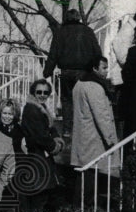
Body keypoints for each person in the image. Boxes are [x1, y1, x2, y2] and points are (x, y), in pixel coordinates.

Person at [42, 8, 102, 136]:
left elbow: (53, 53)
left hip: (66, 71)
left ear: (66, 19)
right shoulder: (88, 31)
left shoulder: (60, 32)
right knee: (83, 100)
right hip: (84, 71)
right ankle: (82, 129)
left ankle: (67, 130)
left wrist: (47, 71)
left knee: (67, 100)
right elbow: (97, 52)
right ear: (78, 18)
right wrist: (97, 69)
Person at [69, 56, 120, 207]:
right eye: (104, 67)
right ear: (94, 68)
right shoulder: (94, 87)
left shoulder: (79, 84)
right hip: (93, 137)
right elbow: (102, 115)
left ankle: (80, 210)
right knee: (90, 175)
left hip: (83, 135)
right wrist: (110, 139)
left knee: (85, 175)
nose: (107, 71)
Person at [19, 79, 63, 212]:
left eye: (46, 92)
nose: (42, 95)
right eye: (39, 92)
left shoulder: (41, 108)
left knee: (44, 190)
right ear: (33, 92)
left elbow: (50, 128)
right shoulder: (32, 109)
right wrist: (54, 146)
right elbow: (40, 136)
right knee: (40, 191)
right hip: (36, 155)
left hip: (42, 153)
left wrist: (56, 138)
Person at [0, 98, 27, 211]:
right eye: (4, 113)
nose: (7, 117)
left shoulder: (19, 129)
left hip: (17, 165)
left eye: (10, 114)